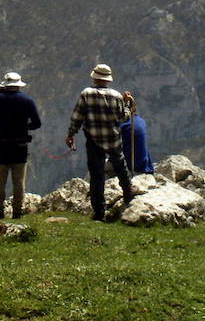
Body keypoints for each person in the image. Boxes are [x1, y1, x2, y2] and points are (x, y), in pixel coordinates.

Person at [65, 63, 136, 221]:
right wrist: (127, 105)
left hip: (94, 139)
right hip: (113, 138)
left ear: (95, 78)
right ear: (108, 79)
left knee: (97, 174)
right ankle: (128, 193)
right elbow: (123, 117)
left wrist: (71, 134)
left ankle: (99, 212)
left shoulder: (86, 94)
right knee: (120, 165)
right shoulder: (117, 96)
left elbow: (77, 116)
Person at [0, 72, 41, 219]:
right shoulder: (27, 100)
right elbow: (37, 123)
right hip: (20, 146)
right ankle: (17, 212)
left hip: (1, 147)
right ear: (19, 85)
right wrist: (24, 126)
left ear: (5, 85)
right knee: (19, 182)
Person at [121, 97, 154, 174]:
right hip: (144, 166)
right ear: (135, 109)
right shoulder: (141, 121)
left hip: (129, 166)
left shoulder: (122, 125)